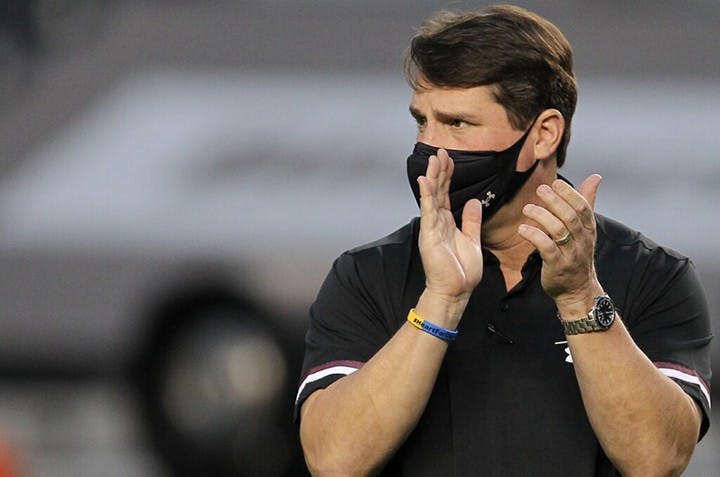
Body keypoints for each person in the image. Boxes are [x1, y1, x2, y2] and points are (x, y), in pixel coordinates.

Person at [294, 5, 712, 476]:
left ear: (543, 135)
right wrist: (440, 302)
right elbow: (333, 460)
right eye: (421, 122)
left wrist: (579, 297)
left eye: (457, 124)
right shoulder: (367, 275)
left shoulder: (652, 275)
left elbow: (656, 460)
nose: (430, 152)